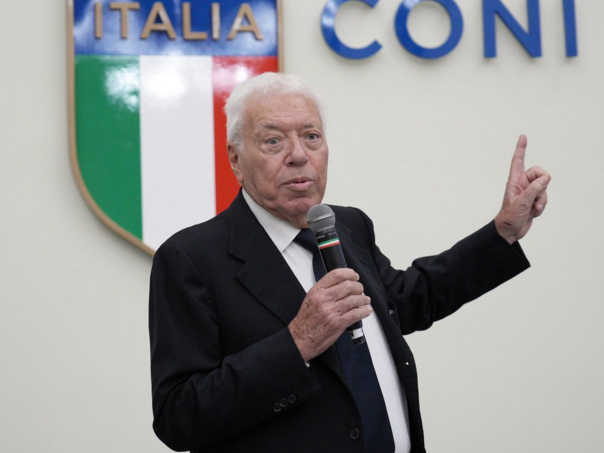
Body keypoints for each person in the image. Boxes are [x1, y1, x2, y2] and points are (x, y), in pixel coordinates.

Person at [149, 73, 550, 453]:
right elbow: (178, 416)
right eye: (273, 141)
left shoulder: (347, 225)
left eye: (311, 136)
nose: (298, 155)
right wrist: (297, 343)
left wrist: (502, 232)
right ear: (236, 159)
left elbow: (406, 301)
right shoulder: (191, 259)